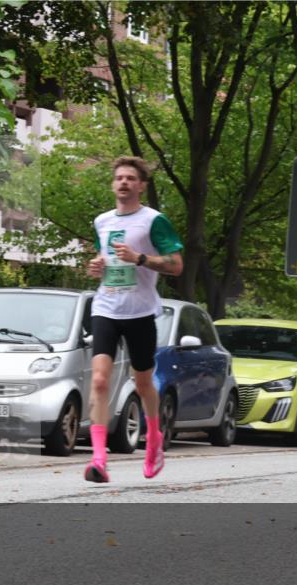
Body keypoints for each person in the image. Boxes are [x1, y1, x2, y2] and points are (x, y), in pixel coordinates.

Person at [84, 156, 183, 483]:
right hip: (106, 307)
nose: (123, 182)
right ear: (113, 184)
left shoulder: (153, 221)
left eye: (130, 178)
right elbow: (104, 257)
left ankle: (153, 438)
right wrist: (97, 265)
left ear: (141, 185)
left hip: (140, 311)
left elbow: (176, 265)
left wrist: (140, 258)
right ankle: (98, 459)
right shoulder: (102, 221)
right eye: (119, 178)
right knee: (100, 380)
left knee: (142, 383)